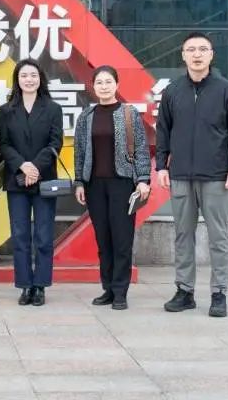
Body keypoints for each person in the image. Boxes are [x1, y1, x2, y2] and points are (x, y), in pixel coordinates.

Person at [156, 32, 228, 318]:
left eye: (202, 49)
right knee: (183, 235)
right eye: (191, 49)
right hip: (181, 175)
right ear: (183, 55)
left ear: (211, 55)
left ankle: (219, 293)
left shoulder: (226, 90)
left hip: (216, 176)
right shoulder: (172, 91)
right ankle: (184, 291)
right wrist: (161, 166)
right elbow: (163, 131)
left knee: (218, 236)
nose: (197, 54)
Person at [73, 65, 151, 311]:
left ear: (117, 85)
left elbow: (141, 147)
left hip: (123, 183)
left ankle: (120, 292)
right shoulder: (86, 116)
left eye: (108, 82)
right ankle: (107, 288)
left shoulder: (129, 113)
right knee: (103, 239)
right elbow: (79, 151)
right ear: (93, 86)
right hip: (94, 185)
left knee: (122, 239)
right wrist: (79, 181)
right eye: (99, 82)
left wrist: (143, 179)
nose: (104, 86)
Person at [0, 59, 63, 307]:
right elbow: (3, 144)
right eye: (24, 75)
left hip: (44, 179)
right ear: (17, 79)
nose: (29, 79)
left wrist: (35, 166)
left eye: (33, 75)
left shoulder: (53, 108)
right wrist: (22, 165)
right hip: (16, 180)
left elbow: (55, 143)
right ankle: (25, 285)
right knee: (20, 235)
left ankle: (41, 286)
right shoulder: (7, 110)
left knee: (44, 236)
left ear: (40, 79)